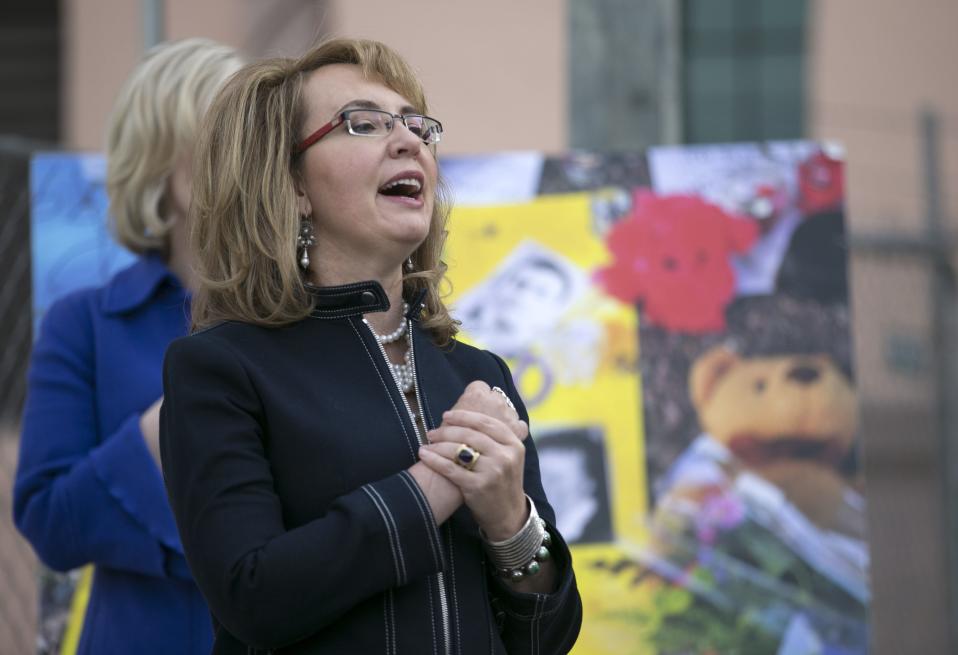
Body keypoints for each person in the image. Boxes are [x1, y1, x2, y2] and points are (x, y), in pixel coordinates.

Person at [159, 38, 582, 654]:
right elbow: (252, 596)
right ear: (292, 184)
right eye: (364, 123)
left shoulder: (477, 373)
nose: (409, 139)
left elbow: (548, 636)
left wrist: (509, 522)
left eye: (417, 125)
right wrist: (434, 485)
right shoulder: (221, 368)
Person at [13, 39, 243, 655]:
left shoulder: (310, 319)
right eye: (222, 135)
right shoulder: (84, 323)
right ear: (160, 163)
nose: (246, 159)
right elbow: (49, 522)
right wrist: (165, 426)